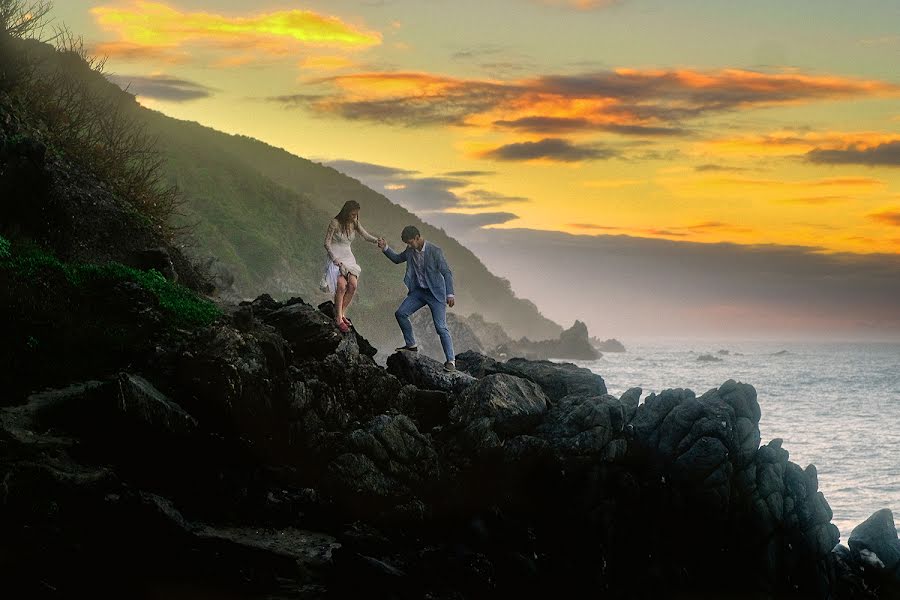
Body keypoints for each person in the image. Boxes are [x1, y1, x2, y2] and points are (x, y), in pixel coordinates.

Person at [377, 225, 457, 372]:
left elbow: (446, 272)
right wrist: (385, 247)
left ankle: (451, 361)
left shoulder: (435, 251)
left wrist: (450, 294)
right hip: (419, 292)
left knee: (441, 327)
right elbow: (397, 259)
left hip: (436, 294)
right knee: (400, 313)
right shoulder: (410, 250)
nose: (409, 245)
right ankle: (411, 345)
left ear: (417, 238)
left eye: (410, 242)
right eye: (407, 243)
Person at [321, 200, 379, 333]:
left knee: (352, 285)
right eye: (352, 214)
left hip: (348, 256)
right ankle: (338, 319)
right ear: (346, 212)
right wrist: (334, 258)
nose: (354, 217)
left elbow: (365, 235)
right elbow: (326, 243)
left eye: (356, 214)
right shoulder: (335, 223)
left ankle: (341, 314)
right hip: (336, 257)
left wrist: (377, 240)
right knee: (341, 286)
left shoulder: (354, 222)